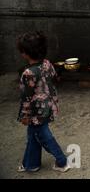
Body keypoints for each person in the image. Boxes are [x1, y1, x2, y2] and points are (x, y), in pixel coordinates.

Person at [16, 31, 70, 173]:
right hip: (49, 105)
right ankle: (31, 164)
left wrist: (25, 116)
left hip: (36, 112)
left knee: (44, 136)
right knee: (33, 135)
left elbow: (26, 97)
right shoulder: (47, 64)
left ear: (25, 53)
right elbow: (54, 78)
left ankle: (62, 161)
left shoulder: (28, 73)